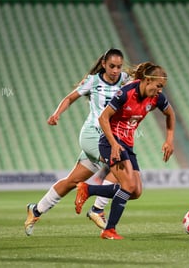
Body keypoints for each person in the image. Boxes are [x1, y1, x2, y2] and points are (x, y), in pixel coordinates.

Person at [24, 48, 131, 235]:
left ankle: (36, 210)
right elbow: (70, 98)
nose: (115, 70)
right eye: (112, 66)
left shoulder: (125, 80)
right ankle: (97, 210)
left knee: (72, 181)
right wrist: (56, 114)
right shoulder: (93, 81)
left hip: (108, 137)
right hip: (92, 135)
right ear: (104, 64)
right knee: (119, 166)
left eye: (119, 67)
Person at [74, 62, 175, 239]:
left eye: (162, 87)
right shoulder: (126, 93)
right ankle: (109, 230)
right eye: (158, 86)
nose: (160, 90)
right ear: (147, 80)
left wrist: (169, 140)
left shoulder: (156, 98)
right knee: (127, 185)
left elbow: (170, 114)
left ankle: (88, 189)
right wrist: (113, 144)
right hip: (110, 142)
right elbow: (103, 117)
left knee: (135, 192)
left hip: (127, 144)